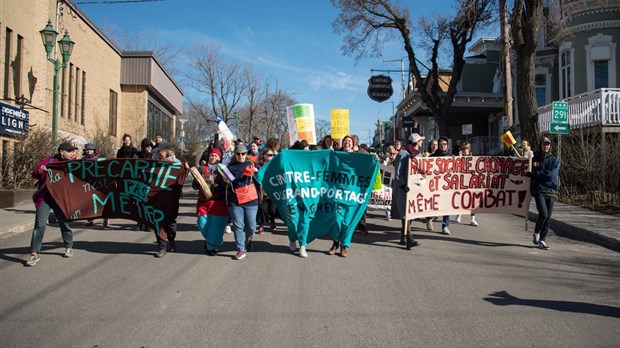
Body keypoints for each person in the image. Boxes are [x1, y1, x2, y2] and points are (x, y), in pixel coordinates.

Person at [25, 143, 78, 266]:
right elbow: (35, 173)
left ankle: (68, 246)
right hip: (45, 198)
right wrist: (41, 171)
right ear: (61, 152)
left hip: (61, 199)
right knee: (40, 225)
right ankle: (34, 253)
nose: (71, 153)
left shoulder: (74, 163)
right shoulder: (49, 160)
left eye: (72, 151)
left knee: (64, 222)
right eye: (69, 151)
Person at [192, 147, 229, 256]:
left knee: (216, 226)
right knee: (202, 223)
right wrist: (198, 183)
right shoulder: (201, 169)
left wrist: (221, 183)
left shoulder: (224, 169)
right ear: (208, 157)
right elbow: (195, 186)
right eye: (212, 155)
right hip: (204, 202)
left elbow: (230, 183)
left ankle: (211, 247)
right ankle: (212, 241)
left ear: (220, 158)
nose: (213, 157)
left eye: (216, 156)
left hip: (219, 202)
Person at [226, 143, 259, 260]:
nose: (241, 156)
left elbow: (260, 178)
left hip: (250, 199)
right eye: (238, 154)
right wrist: (225, 178)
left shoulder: (251, 163)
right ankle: (240, 249)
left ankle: (249, 239)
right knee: (238, 225)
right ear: (235, 154)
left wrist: (256, 172)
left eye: (243, 153)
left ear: (246, 154)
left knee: (251, 227)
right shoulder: (229, 167)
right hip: (235, 200)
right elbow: (228, 181)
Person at [391, 133, 424, 249]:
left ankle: (403, 236)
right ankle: (409, 237)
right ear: (416, 142)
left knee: (411, 213)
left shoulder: (419, 155)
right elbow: (398, 172)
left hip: (414, 188)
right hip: (403, 188)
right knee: (406, 213)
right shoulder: (403, 154)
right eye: (420, 141)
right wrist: (403, 185)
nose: (421, 143)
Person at [530, 137, 560, 250]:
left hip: (551, 191)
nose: (546, 147)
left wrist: (536, 174)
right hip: (539, 190)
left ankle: (542, 240)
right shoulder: (535, 159)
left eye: (547, 145)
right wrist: (536, 174)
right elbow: (530, 171)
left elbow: (550, 176)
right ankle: (537, 232)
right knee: (543, 213)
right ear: (540, 145)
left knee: (548, 218)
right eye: (544, 144)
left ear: (550, 146)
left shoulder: (555, 160)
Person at [153, 142, 181, 258]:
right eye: (158, 151)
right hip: (156, 197)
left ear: (167, 151)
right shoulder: (155, 163)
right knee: (158, 221)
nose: (159, 153)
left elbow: (181, 176)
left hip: (171, 197)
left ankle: (171, 238)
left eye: (161, 150)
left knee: (170, 223)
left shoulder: (177, 163)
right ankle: (161, 247)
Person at [427, 136, 452, 235]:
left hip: (447, 185)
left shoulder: (451, 156)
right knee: (433, 204)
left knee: (446, 206)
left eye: (445, 144)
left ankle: (445, 226)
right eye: (441, 144)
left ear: (447, 145)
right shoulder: (432, 157)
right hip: (435, 185)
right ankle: (429, 218)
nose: (443, 146)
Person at [82, 143, 109, 228]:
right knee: (89, 201)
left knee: (102, 201)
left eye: (91, 150)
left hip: (99, 183)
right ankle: (90, 218)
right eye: (87, 150)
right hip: (88, 183)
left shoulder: (99, 160)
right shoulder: (82, 160)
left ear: (94, 150)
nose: (89, 151)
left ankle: (105, 219)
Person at [454, 142, 478, 227]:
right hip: (461, 181)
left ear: (469, 149)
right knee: (460, 198)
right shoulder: (459, 158)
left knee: (472, 201)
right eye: (462, 149)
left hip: (471, 181)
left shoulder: (473, 158)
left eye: (465, 149)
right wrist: (459, 157)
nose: (463, 151)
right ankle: (458, 215)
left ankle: (473, 219)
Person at [256, 148, 278, 233]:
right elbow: (257, 176)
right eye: (269, 155)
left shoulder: (275, 165)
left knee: (272, 209)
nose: (271, 157)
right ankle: (261, 225)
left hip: (273, 189)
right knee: (263, 209)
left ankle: (272, 220)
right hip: (263, 190)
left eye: (273, 155)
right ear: (264, 156)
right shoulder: (259, 166)